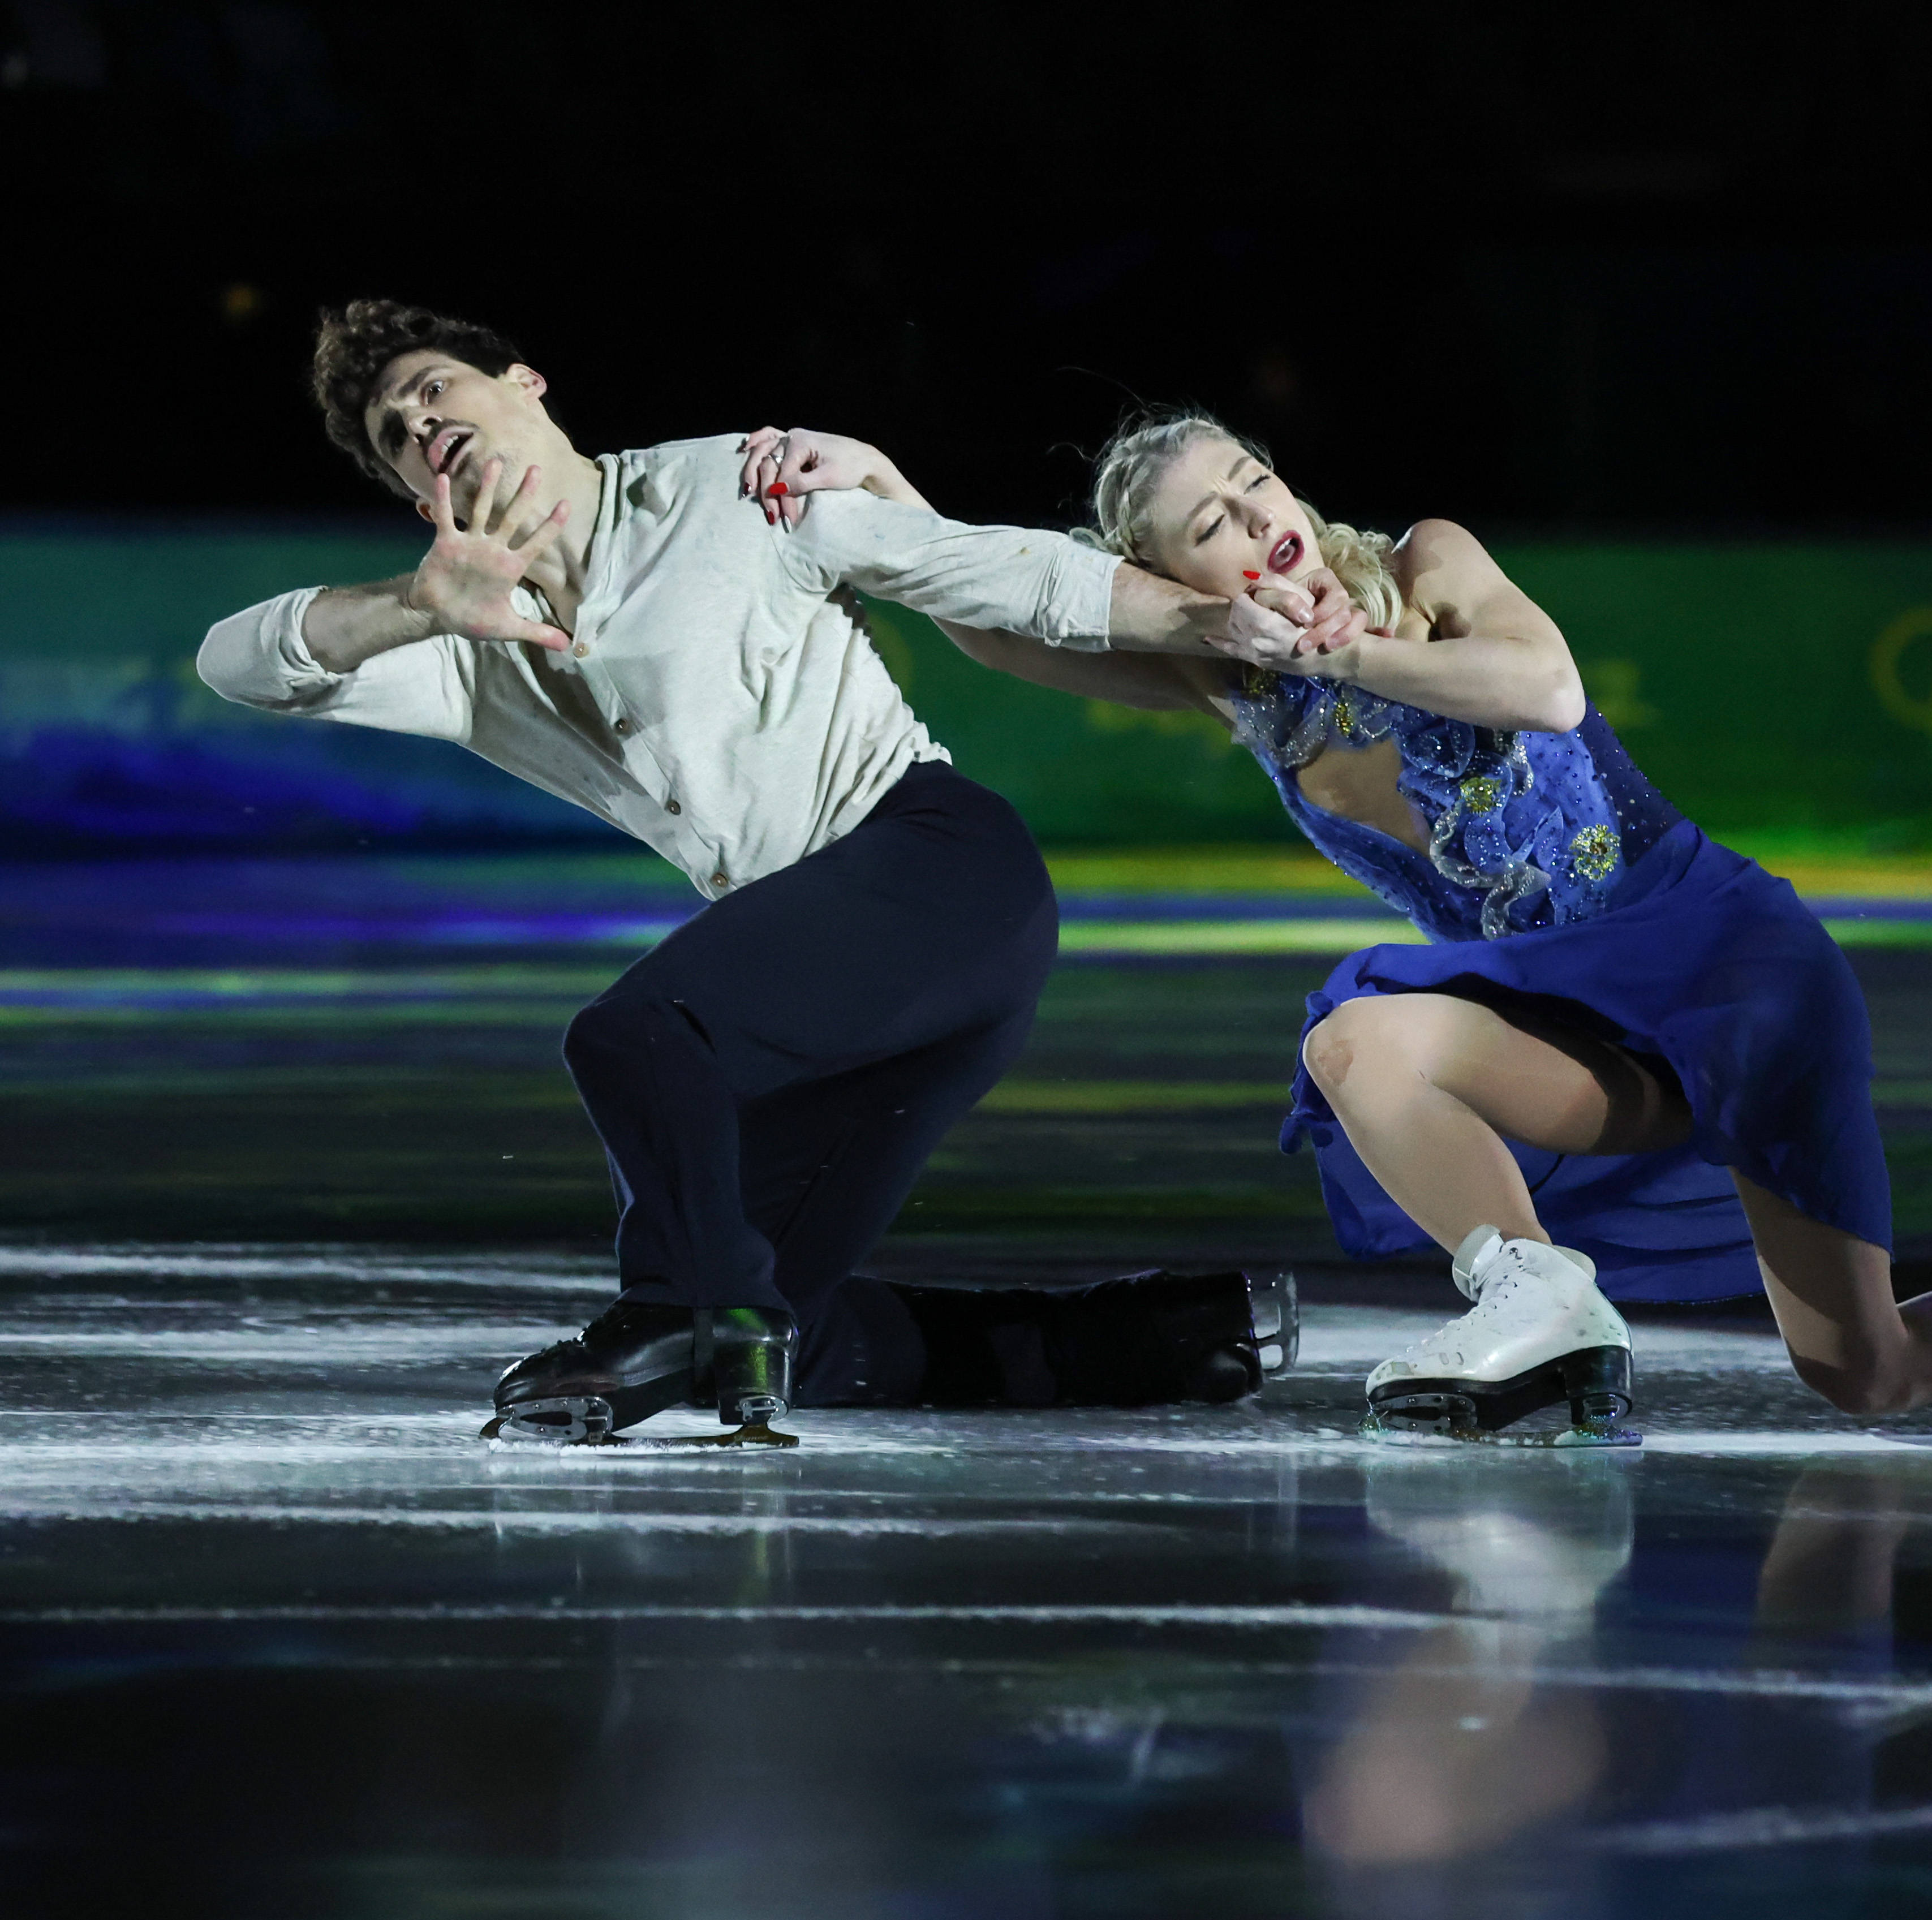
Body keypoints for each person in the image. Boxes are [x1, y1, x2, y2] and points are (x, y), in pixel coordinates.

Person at [744, 414, 1932, 1440]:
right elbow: (994, 626)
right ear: (1173, 582)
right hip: (1568, 1013)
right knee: (1360, 1040)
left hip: (1728, 966)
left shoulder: (1427, 565)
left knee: (1862, 1366)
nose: (1258, 520)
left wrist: (1376, 652)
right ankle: (1535, 1301)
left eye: (1253, 483)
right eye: (1211, 525)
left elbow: (1546, 692)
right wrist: (881, 483)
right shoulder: (1239, 685)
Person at [195, 304, 1340, 1444]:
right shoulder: (456, 643)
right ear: (411, 492)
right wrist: (411, 605)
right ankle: (1167, 1331)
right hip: (836, 981)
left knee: (637, 1040)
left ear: (526, 382)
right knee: (788, 1325)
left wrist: (1210, 617)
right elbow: (237, 664)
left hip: (942, 874)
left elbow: (997, 573)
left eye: (437, 387)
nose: (423, 421)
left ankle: (668, 1310)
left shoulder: (730, 489)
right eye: (397, 432)